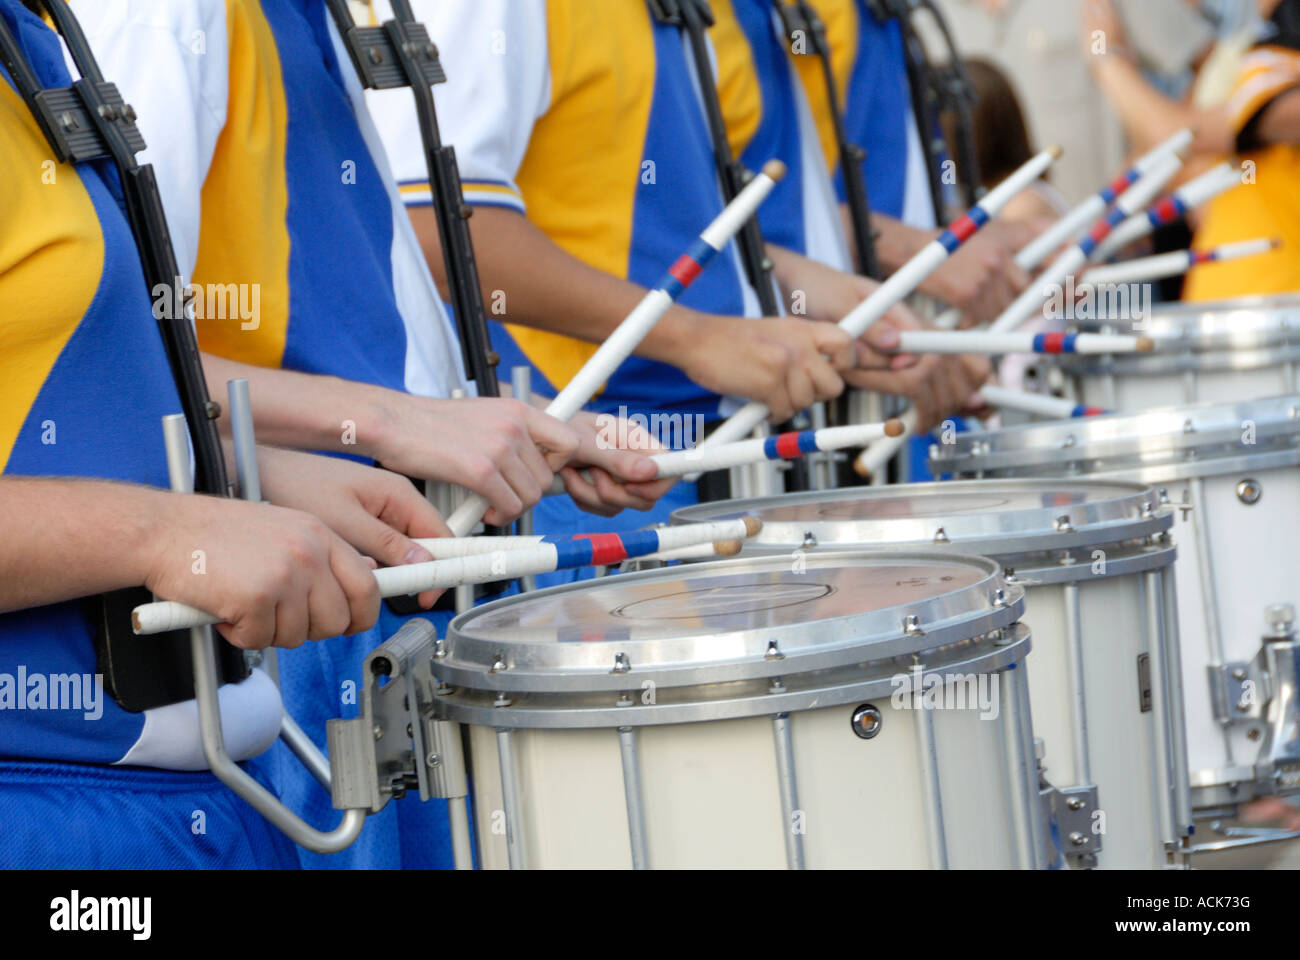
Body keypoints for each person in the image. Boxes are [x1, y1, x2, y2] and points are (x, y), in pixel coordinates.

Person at [69, 0, 674, 867]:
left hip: (379, 583)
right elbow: (123, 358)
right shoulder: (162, 16)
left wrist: (488, 427)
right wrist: (392, 423)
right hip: (301, 610)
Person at [0, 0, 389, 868]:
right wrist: (165, 530)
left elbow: (67, 392)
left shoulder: (32, 36)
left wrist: (249, 475)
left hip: (201, 797)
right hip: (51, 817)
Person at [1082, 0, 1300, 301]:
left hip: (1278, 305)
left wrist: (1107, 61)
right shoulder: (1256, 55)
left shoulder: (1281, 80)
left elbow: (1178, 135)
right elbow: (1184, 163)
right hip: (1225, 300)